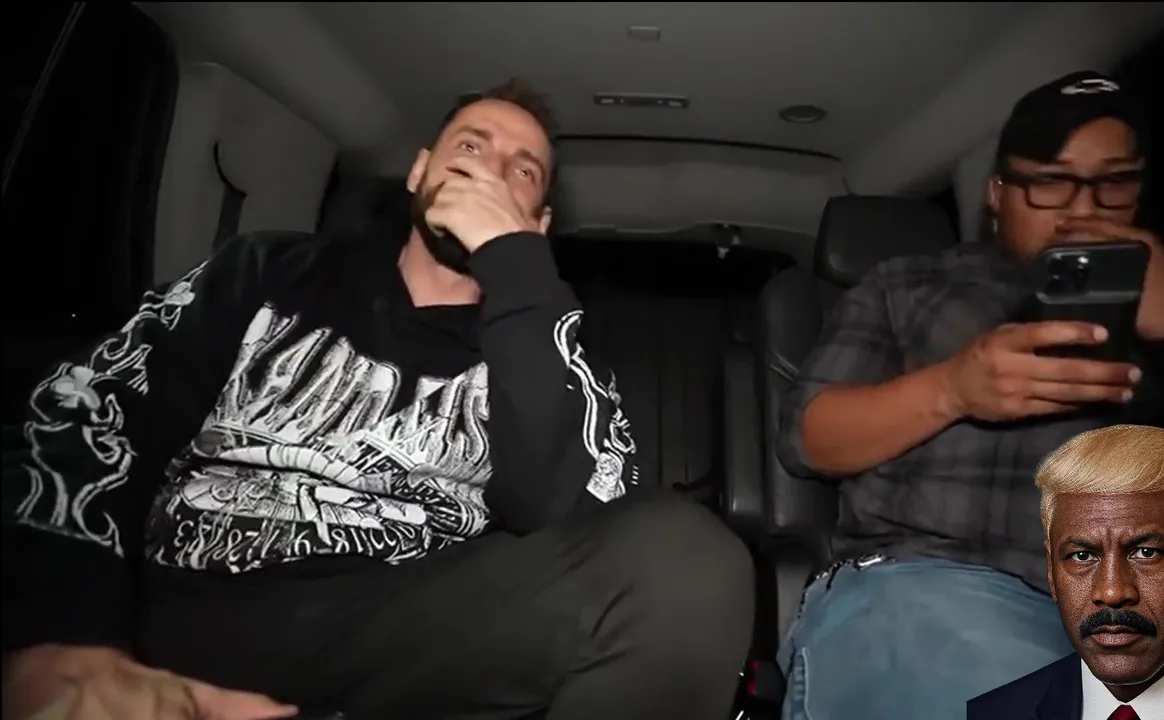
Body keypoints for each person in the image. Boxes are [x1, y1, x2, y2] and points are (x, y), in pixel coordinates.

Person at [1, 79, 755, 720]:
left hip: (413, 630)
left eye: (522, 171)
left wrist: (517, 269)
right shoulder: (267, 270)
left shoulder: (560, 353)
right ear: (420, 170)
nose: (490, 170)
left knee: (689, 561)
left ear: (540, 222)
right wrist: (60, 636)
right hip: (191, 602)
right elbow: (92, 412)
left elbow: (569, 524)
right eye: (470, 146)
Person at [775, 71, 1164, 719]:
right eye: (1051, 182)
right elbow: (808, 438)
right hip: (934, 587)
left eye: (1113, 183)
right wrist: (953, 389)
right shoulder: (909, 284)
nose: (1083, 209)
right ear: (998, 193)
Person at [968, 424, 1164, 719]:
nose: (1112, 592)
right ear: (1051, 573)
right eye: (1082, 556)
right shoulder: (988, 714)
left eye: (1146, 553)